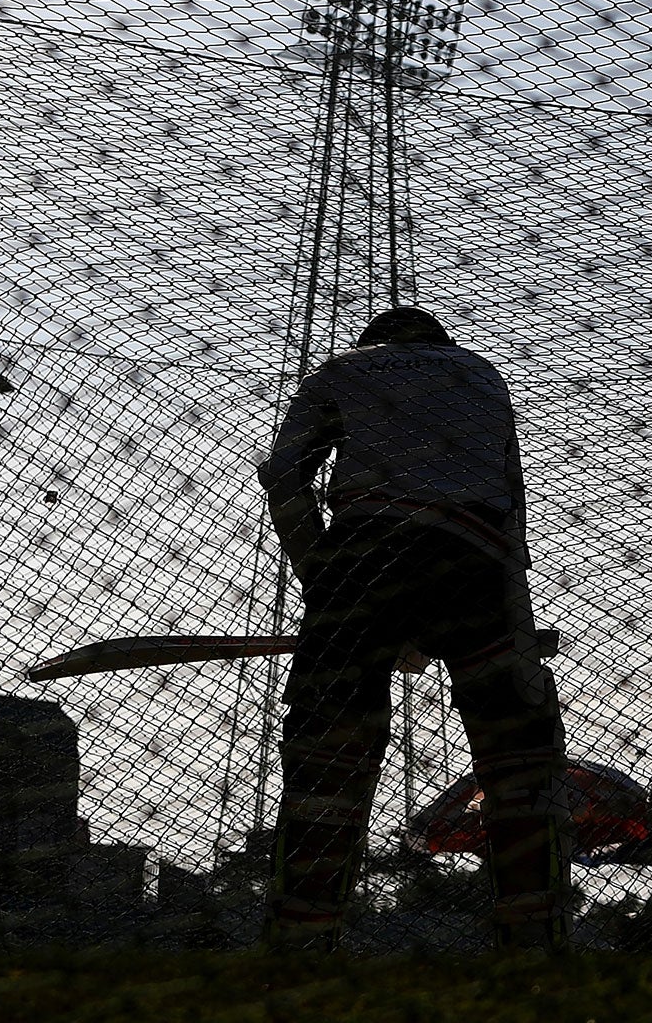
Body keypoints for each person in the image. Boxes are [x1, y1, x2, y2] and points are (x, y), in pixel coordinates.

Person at [257, 305, 570, 951]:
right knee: (516, 755)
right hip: (474, 559)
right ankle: (535, 937)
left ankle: (303, 940)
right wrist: (518, 638)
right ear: (439, 341)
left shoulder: (342, 372)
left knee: (330, 750)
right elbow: (515, 518)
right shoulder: (483, 376)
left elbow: (283, 473)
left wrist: (324, 581)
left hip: (366, 553)